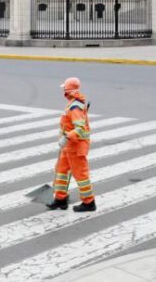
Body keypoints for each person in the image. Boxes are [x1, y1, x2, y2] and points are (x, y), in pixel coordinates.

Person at [46, 77, 95, 212]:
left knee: (80, 175)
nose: (63, 91)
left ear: (68, 90)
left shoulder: (75, 107)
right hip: (68, 146)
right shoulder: (73, 103)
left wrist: (66, 137)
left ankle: (89, 202)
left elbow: (80, 129)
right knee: (61, 171)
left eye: (64, 88)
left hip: (75, 146)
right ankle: (60, 199)